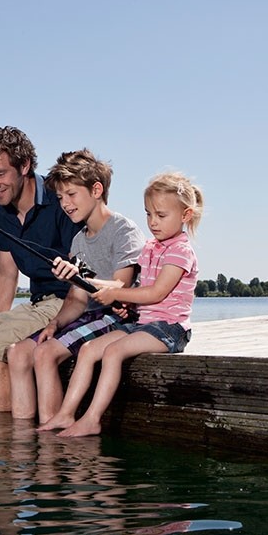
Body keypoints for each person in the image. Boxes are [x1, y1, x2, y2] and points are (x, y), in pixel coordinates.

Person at [42, 171, 203, 437]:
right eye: (148, 214)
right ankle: (65, 413)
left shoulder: (180, 251)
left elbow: (156, 293)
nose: (153, 222)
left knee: (113, 352)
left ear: (185, 216)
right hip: (144, 325)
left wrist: (119, 295)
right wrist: (82, 279)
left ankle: (92, 419)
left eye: (161, 215)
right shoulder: (151, 247)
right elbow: (130, 288)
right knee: (89, 349)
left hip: (170, 329)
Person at [7, 150, 144, 423]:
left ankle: (53, 436)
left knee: (45, 354)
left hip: (116, 318)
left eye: (71, 194)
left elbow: (120, 286)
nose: (65, 204)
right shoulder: (78, 241)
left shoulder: (123, 231)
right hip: (88, 315)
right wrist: (55, 324)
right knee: (18, 353)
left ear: (96, 189)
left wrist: (80, 275)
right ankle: (21, 443)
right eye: (59, 198)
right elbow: (78, 299)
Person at [0, 127, 81, 412]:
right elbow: (6, 273)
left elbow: (85, 270)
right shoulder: (2, 204)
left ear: (24, 166)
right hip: (37, 304)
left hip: (70, 301)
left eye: (0, 174)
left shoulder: (61, 200)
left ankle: (0, 451)